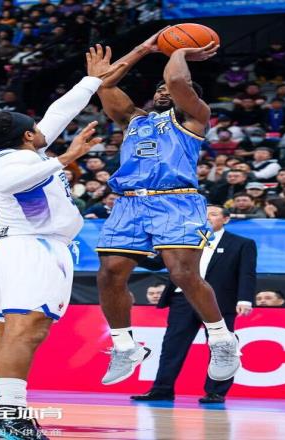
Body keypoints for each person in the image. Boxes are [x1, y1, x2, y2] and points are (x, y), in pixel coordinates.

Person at [0, 56, 121, 439]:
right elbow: (11, 183)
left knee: (7, 333)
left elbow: (60, 112)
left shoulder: (24, 151)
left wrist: (91, 81)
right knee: (25, 333)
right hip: (30, 250)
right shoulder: (8, 162)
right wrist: (66, 158)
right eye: (36, 129)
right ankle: (11, 413)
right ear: (26, 136)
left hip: (20, 250)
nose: (43, 131)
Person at [88, 38, 241, 386]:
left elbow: (176, 80)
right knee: (109, 274)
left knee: (182, 273)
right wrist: (141, 50)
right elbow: (105, 85)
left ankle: (222, 339)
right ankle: (125, 346)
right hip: (128, 202)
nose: (162, 91)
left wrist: (179, 50)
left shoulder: (194, 119)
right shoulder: (134, 120)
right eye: (157, 89)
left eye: (168, 90)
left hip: (176, 200)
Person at [131, 205, 256, 404]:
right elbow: (157, 263)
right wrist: (131, 253)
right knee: (172, 346)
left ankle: (216, 392)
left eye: (213, 214)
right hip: (183, 299)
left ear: (226, 219)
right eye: (202, 215)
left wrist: (244, 299)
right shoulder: (182, 240)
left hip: (219, 301)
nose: (207, 218)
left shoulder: (241, 243)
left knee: (221, 348)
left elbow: (246, 273)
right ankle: (161, 389)